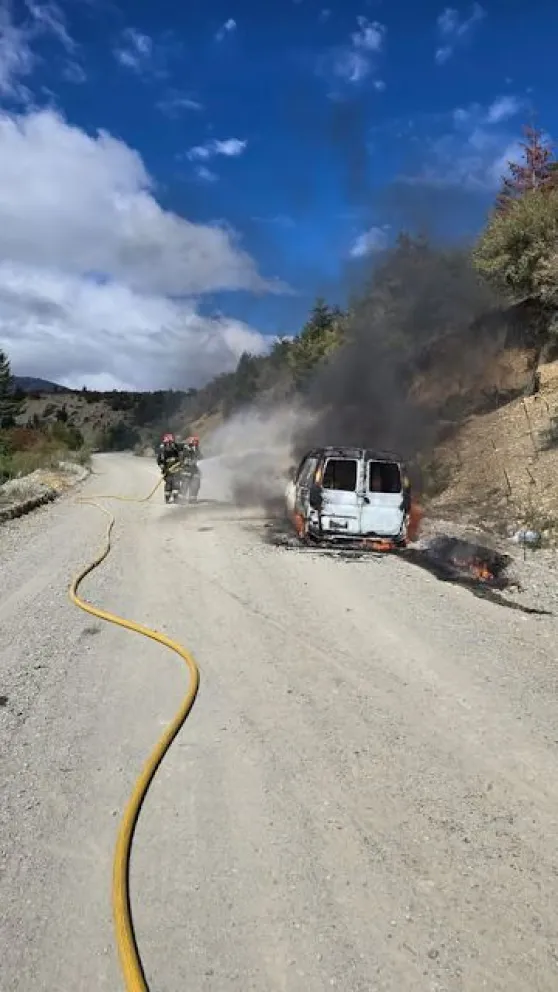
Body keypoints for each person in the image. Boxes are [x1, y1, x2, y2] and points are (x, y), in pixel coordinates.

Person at [157, 433, 184, 500]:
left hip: (176, 469)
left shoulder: (176, 447)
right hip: (167, 470)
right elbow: (159, 460)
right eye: (167, 443)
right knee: (168, 483)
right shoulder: (162, 450)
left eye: (170, 443)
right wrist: (162, 466)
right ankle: (167, 498)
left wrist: (176, 459)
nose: (169, 445)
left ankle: (176, 498)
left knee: (176, 483)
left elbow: (182, 455)